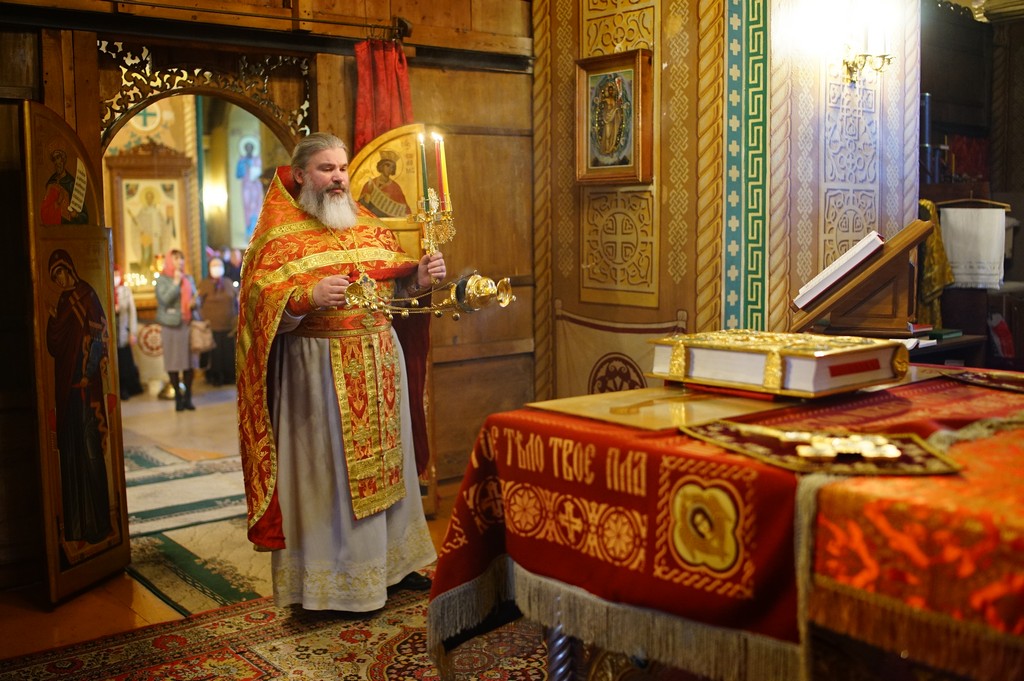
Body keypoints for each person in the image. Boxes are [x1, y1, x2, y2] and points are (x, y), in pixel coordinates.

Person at [237, 131, 446, 612]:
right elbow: (256, 307)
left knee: (389, 467)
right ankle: (334, 584)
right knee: (327, 479)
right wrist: (306, 297)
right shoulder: (277, 236)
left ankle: (393, 568)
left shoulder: (368, 224)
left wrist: (417, 279)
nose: (337, 178)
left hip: (381, 363)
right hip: (318, 374)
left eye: (342, 169)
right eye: (326, 169)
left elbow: (392, 294)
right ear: (300, 175)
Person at [46, 249, 112, 544]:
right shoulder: (62, 302)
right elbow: (54, 347)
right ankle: (76, 527)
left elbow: (98, 337)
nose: (59, 280)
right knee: (72, 454)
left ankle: (100, 524)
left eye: (60, 273)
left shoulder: (87, 295)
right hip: (67, 389)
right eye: (54, 277)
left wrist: (88, 372)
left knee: (91, 451)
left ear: (69, 269)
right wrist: (52, 321)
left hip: (86, 386)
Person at [155, 248, 199, 411]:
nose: (179, 262)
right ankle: (178, 398)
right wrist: (175, 282)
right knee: (173, 363)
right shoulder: (162, 280)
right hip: (170, 326)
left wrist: (195, 303)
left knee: (189, 363)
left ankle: (188, 397)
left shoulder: (189, 278)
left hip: (187, 325)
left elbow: (196, 298)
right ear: (169, 261)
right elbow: (164, 300)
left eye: (181, 258)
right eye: (175, 258)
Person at [197, 256, 238, 386]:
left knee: (227, 353)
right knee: (215, 355)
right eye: (214, 265)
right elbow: (198, 303)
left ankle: (228, 377)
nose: (217, 268)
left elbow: (235, 300)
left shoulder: (228, 282)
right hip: (211, 325)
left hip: (228, 324)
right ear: (209, 268)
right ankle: (214, 377)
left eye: (219, 265)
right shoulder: (204, 284)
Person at [113, 264, 144, 400]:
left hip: (123, 332)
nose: (115, 278)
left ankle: (126, 388)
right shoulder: (106, 290)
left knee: (125, 363)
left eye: (117, 275)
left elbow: (132, 313)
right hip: (111, 335)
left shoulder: (125, 291)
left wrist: (133, 332)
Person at [357, 149, 411, 218]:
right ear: (381, 166)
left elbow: (405, 210)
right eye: (387, 165)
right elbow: (360, 209)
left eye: (392, 167)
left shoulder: (395, 187)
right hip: (372, 221)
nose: (390, 169)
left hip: (389, 222)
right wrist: (369, 195)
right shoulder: (370, 184)